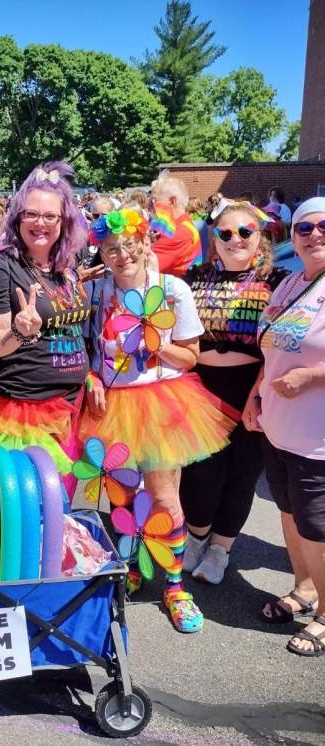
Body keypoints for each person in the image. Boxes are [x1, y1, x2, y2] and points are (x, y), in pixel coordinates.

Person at [80, 208, 235, 633]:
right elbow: (89, 352)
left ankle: (174, 585)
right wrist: (92, 376)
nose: (122, 255)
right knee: (122, 497)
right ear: (103, 254)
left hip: (161, 402)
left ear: (145, 243)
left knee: (164, 499)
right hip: (112, 407)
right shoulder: (98, 293)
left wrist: (157, 342)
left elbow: (190, 356)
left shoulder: (172, 290)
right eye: (112, 249)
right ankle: (131, 566)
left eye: (130, 245)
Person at [0, 162, 90, 475]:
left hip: (67, 409)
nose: (40, 223)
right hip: (19, 418)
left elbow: (70, 327)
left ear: (64, 221)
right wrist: (18, 332)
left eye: (50, 216)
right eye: (31, 214)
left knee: (57, 513)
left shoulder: (63, 267)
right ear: (18, 218)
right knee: (26, 515)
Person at [180, 201, 289, 584]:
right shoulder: (195, 278)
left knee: (242, 475)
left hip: (252, 389)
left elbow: (282, 344)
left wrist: (259, 393)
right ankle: (196, 537)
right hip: (200, 389)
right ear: (214, 240)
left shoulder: (278, 282)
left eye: (245, 232)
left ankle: (221, 549)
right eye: (225, 233)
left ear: (259, 238)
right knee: (199, 473)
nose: (235, 239)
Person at [243, 197, 325, 656]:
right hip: (279, 427)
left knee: (318, 527)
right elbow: (271, 347)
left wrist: (314, 376)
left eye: (323, 226)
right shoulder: (291, 282)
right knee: (290, 515)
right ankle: (305, 588)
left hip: (318, 438)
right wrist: (257, 392)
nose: (314, 234)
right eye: (303, 228)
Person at [150, 174, 201, 277]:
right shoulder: (176, 227)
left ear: (172, 202)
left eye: (154, 200)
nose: (149, 205)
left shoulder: (180, 232)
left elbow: (143, 268)